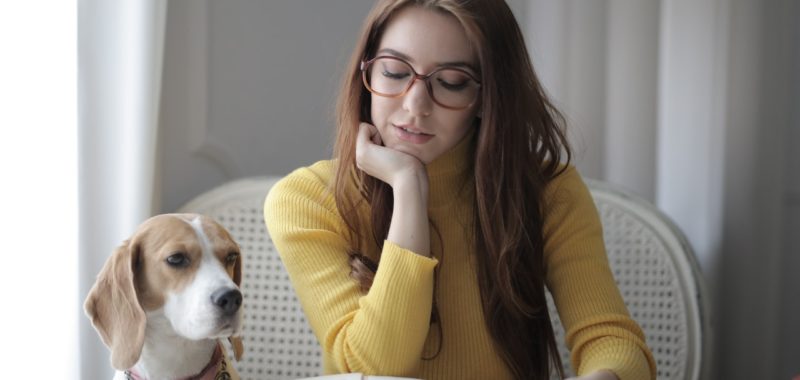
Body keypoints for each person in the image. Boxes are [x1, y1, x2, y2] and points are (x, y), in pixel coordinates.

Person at [264, 1, 656, 379]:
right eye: (395, 72)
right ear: (367, 74)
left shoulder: (549, 192)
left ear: (487, 97)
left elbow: (612, 340)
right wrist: (408, 187)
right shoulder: (306, 200)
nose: (416, 105)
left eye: (451, 82)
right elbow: (375, 368)